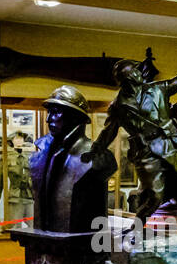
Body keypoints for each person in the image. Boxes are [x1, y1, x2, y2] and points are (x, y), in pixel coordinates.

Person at [83, 55, 177, 222]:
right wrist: (94, 150)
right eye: (136, 71)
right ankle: (137, 228)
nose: (140, 72)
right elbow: (108, 132)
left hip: (171, 144)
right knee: (155, 196)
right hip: (146, 151)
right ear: (129, 77)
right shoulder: (119, 106)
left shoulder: (158, 89)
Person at [30, 85, 114, 234]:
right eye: (49, 112)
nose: (48, 119)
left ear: (75, 116)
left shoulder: (99, 157)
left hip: (80, 246)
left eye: (56, 112)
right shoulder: (39, 155)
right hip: (42, 242)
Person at [0, 131, 34, 223]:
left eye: (21, 138)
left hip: (28, 196)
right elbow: (0, 178)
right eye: (17, 138)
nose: (19, 141)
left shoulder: (28, 157)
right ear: (11, 140)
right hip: (15, 197)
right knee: (15, 226)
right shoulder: (7, 157)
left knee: (33, 225)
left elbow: (33, 176)